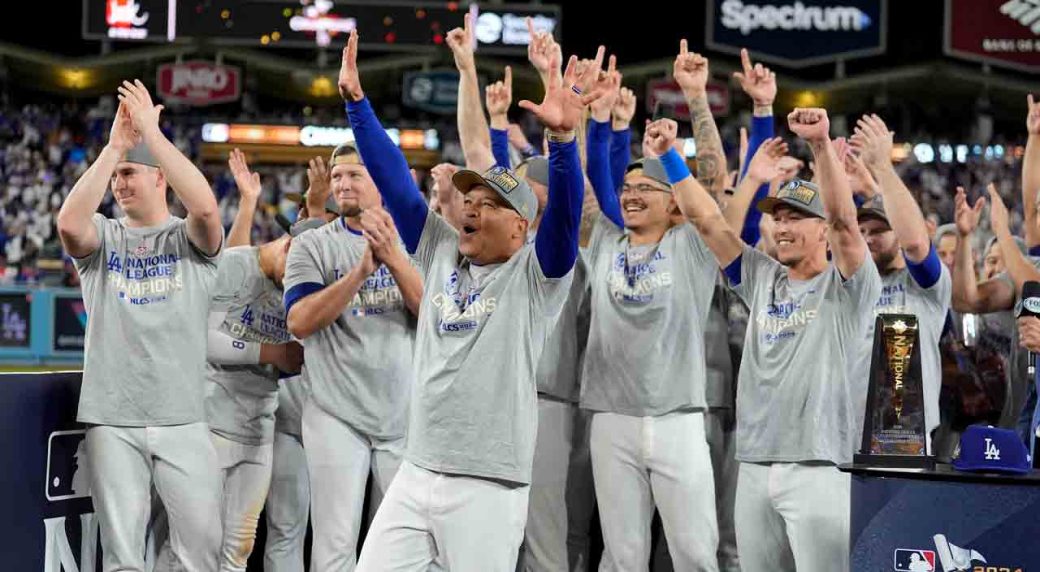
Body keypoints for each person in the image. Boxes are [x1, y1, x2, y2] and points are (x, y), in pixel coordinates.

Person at [336, 22, 596, 569]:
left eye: (490, 204)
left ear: (521, 226)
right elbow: (397, 184)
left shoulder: (537, 275)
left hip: (487, 484)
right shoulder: (440, 250)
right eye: (470, 199)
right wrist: (358, 104)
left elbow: (565, 217)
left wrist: (563, 142)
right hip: (418, 468)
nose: (472, 208)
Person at [653, 107, 881, 571]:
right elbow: (709, 223)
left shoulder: (848, 286)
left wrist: (820, 144)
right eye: (777, 218)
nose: (781, 227)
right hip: (755, 461)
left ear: (821, 230)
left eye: (795, 218)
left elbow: (844, 221)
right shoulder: (762, 276)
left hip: (819, 466)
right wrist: (670, 157)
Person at [56, 81, 225, 571]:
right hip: (113, 417)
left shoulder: (189, 239)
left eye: (129, 173)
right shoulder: (104, 237)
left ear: (160, 178)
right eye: (116, 177)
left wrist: (152, 133)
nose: (119, 184)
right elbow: (68, 225)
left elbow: (206, 208)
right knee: (122, 559)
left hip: (183, 416)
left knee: (201, 551)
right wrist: (115, 149)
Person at [282, 138, 423, 571]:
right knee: (335, 544)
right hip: (335, 413)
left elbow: (431, 313)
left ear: (380, 180)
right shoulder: (312, 245)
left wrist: (392, 259)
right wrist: (359, 273)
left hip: (402, 415)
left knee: (399, 546)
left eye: (354, 175)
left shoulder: (415, 238)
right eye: (338, 176)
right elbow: (299, 321)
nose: (342, 184)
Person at [849, 113, 951, 447]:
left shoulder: (925, 283)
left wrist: (882, 169)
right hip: (845, 429)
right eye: (863, 231)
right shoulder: (854, 283)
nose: (868, 238)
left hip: (903, 435)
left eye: (879, 230)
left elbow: (915, 243)